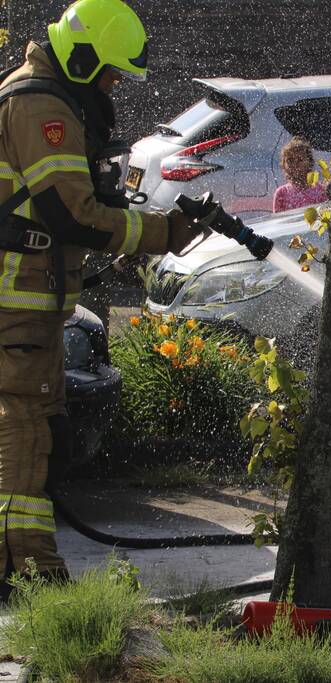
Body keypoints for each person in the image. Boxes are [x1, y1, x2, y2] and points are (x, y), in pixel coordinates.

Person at [0, 0, 203, 591]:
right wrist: (160, 232)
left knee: (39, 428)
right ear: (83, 59)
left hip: (32, 299)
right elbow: (70, 212)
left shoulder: (41, 95)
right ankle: (27, 570)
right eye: (111, 72)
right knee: (26, 427)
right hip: (17, 302)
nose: (115, 84)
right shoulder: (39, 104)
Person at [272, 137, 328, 213]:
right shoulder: (281, 193)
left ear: (309, 163)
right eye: (290, 160)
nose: (295, 164)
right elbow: (278, 222)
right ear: (283, 165)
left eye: (300, 160)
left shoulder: (320, 190)